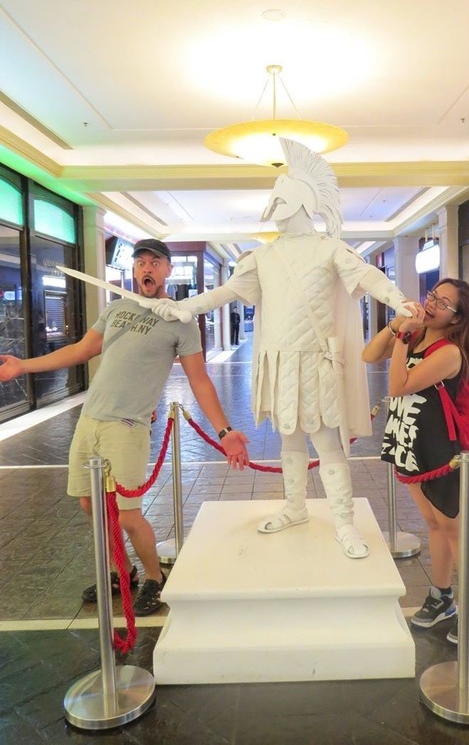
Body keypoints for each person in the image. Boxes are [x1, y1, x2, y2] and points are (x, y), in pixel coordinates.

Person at [143, 139, 412, 559]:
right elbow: (227, 292)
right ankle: (294, 507)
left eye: (281, 201)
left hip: (316, 363)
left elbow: (368, 276)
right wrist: (184, 306)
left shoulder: (329, 249)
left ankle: (344, 522)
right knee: (289, 441)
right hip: (279, 361)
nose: (274, 210)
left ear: (301, 203)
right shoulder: (262, 257)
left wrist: (398, 300)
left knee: (328, 445)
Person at [0, 239, 250, 616]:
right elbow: (81, 350)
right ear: (134, 270)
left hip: (128, 426)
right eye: (141, 262)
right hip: (90, 420)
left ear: (168, 270)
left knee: (127, 514)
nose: (147, 268)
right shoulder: (116, 309)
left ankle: (154, 578)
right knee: (90, 504)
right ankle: (122, 571)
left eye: (155, 262)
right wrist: (23, 366)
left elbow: (199, 380)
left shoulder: (180, 320)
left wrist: (225, 432)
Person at [362, 278, 469, 643]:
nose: (431, 303)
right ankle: (443, 596)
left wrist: (403, 337)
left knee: (455, 530)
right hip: (410, 443)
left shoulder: (449, 353)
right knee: (434, 525)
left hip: (440, 452)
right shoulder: (416, 336)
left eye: (443, 303)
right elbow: (369, 355)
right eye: (433, 295)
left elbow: (398, 386)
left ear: (457, 318)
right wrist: (396, 326)